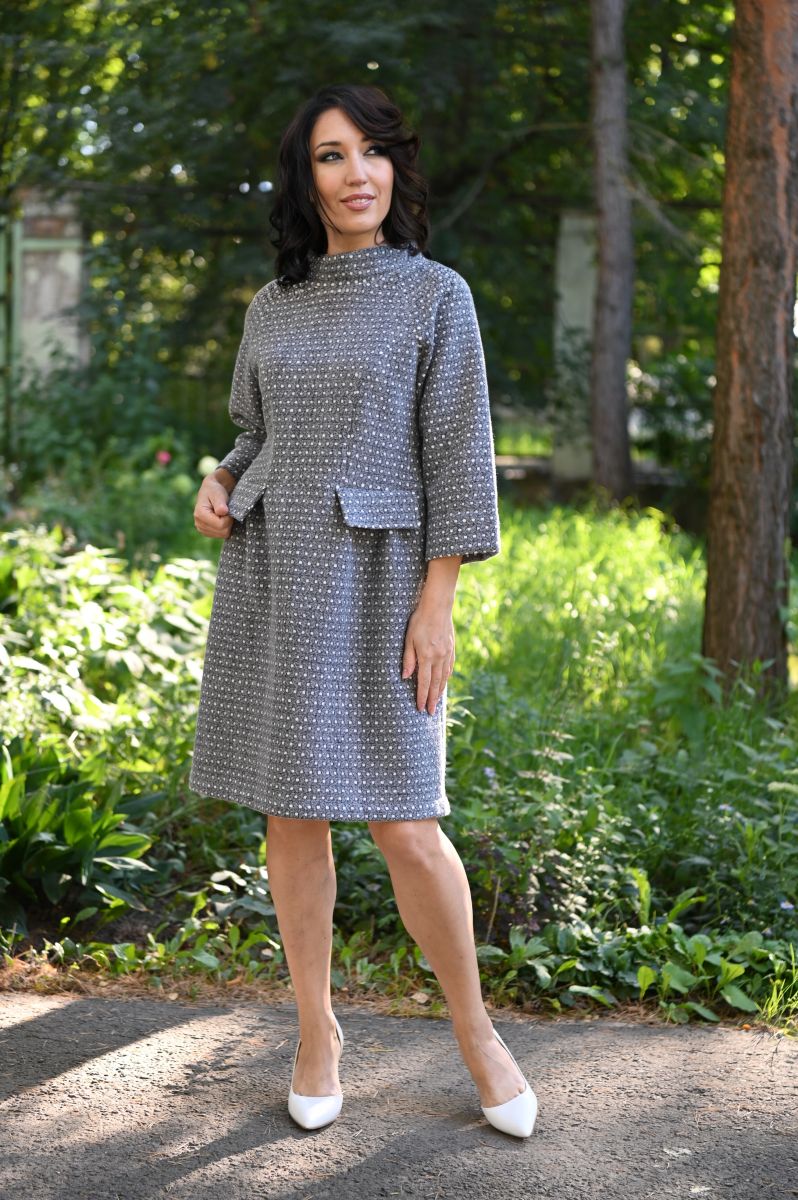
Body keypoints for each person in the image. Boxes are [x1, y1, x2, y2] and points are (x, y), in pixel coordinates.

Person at [190, 82, 537, 1139]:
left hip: (384, 584)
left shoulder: (436, 296)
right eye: (332, 156)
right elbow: (254, 434)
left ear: (396, 169)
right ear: (306, 180)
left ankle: (477, 1031)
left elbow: (458, 458)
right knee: (291, 814)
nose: (357, 174)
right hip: (274, 571)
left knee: (406, 822)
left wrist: (440, 602)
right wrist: (219, 479)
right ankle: (316, 1031)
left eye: (373, 152)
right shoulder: (272, 305)